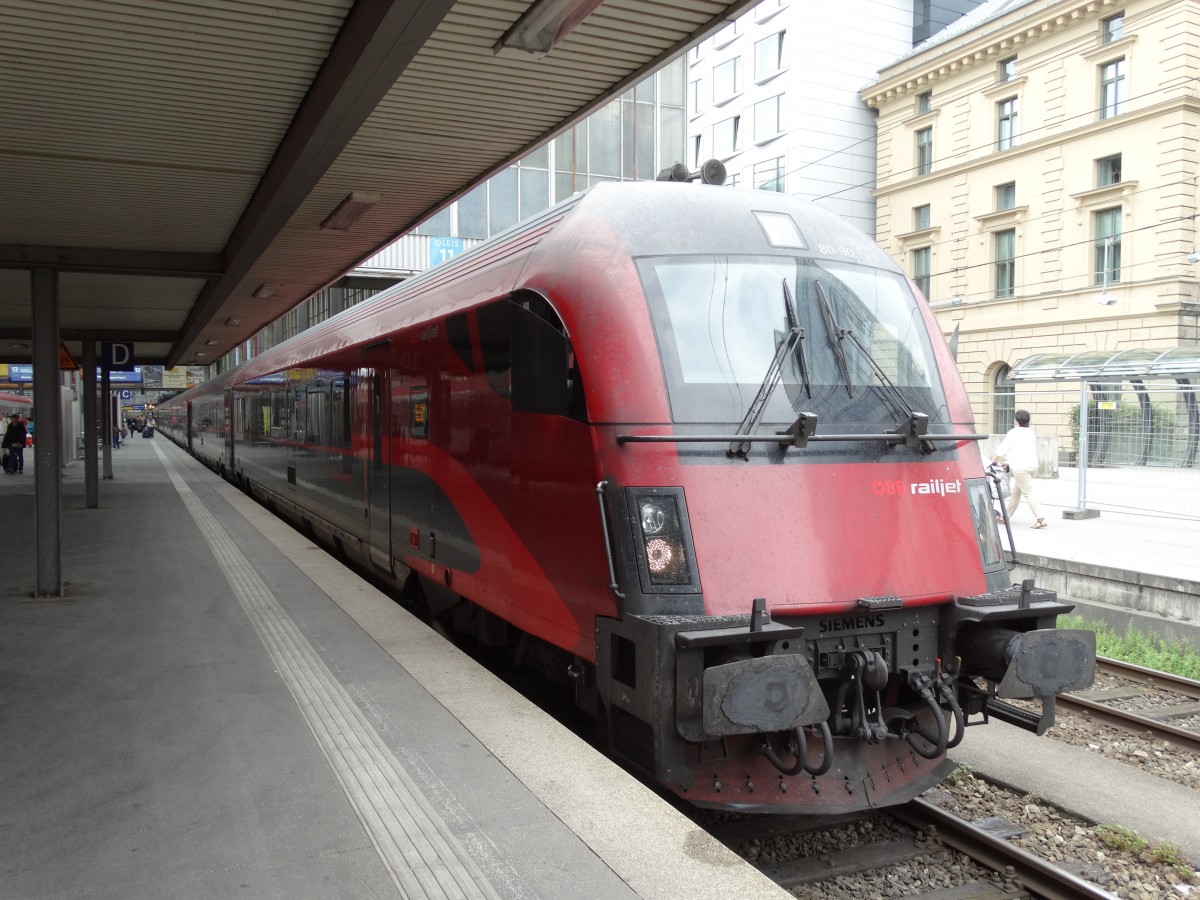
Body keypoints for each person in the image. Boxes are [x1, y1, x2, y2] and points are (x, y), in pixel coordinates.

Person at [992, 409, 1046, 529]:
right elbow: (1020, 450)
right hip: (1030, 465)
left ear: (1017, 420)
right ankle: (1005, 517)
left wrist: (994, 460)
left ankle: (1040, 518)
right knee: (1015, 493)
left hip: (1020, 468)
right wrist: (1009, 462)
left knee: (1028, 492)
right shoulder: (1030, 432)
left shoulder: (1014, 432)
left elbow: (1003, 448)